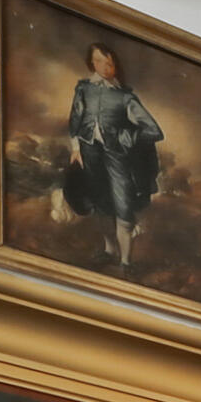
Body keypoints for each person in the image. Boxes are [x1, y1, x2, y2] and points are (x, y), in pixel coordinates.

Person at [63, 42, 164, 270]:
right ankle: (109, 250)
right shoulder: (84, 89)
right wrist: (76, 148)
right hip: (89, 153)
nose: (104, 66)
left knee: (123, 203)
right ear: (92, 63)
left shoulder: (125, 97)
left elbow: (154, 130)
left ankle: (126, 261)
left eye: (108, 62)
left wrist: (123, 137)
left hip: (118, 157)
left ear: (115, 64)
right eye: (98, 61)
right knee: (100, 201)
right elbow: (75, 120)